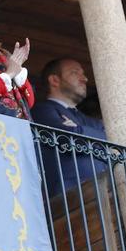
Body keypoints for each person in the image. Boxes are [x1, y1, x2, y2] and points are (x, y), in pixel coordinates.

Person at [31, 58, 106, 197]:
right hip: (68, 197)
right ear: (54, 80)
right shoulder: (42, 110)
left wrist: (78, 130)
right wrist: (83, 134)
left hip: (104, 193)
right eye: (74, 73)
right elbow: (67, 138)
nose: (84, 79)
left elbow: (112, 141)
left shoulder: (92, 121)